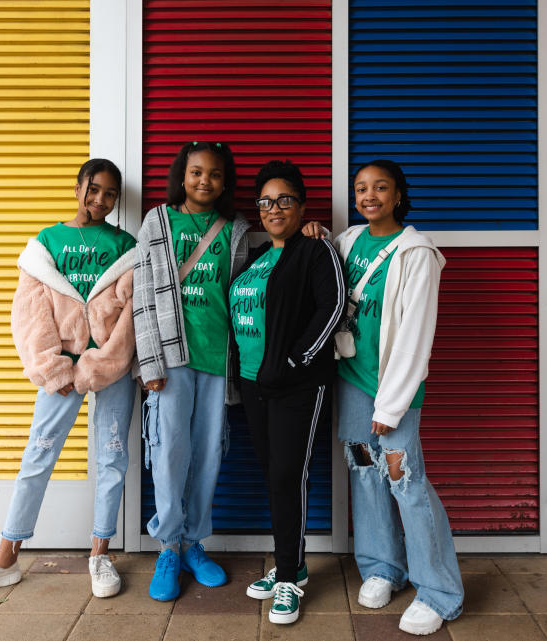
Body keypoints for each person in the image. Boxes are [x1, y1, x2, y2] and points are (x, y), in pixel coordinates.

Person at [0, 158, 138, 600]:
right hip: (62, 368)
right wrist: (55, 368)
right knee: (38, 456)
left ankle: (100, 554)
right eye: (94, 189)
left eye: (110, 193)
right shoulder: (46, 243)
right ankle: (4, 559)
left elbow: (130, 316)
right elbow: (31, 314)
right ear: (78, 188)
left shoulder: (127, 245)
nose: (101, 199)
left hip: (111, 368)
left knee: (113, 458)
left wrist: (106, 362)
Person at [304, 159, 464, 635]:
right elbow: (324, 269)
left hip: (392, 392)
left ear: (398, 195)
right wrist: (315, 230)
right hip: (351, 381)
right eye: (361, 188)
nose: (369, 195)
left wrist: (391, 404)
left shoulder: (416, 253)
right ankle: (381, 568)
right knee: (365, 473)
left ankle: (438, 591)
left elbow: (416, 336)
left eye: (380, 188)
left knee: (405, 480)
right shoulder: (349, 240)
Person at [133, 141, 250, 601]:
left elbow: (240, 290)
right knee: (168, 455)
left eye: (215, 174)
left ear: (225, 182)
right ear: (182, 176)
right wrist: (149, 363)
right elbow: (143, 296)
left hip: (217, 361)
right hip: (171, 361)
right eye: (196, 172)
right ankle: (168, 546)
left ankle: (194, 544)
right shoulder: (158, 221)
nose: (205, 181)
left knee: (208, 455)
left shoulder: (237, 229)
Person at [230, 160, 345, 625]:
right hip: (255, 384)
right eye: (265, 201)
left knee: (287, 476)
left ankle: (293, 577)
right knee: (275, 475)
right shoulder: (259, 258)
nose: (273, 208)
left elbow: (332, 306)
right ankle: (286, 560)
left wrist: (298, 359)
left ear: (301, 207)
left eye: (284, 200)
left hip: (298, 384)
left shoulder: (316, 250)